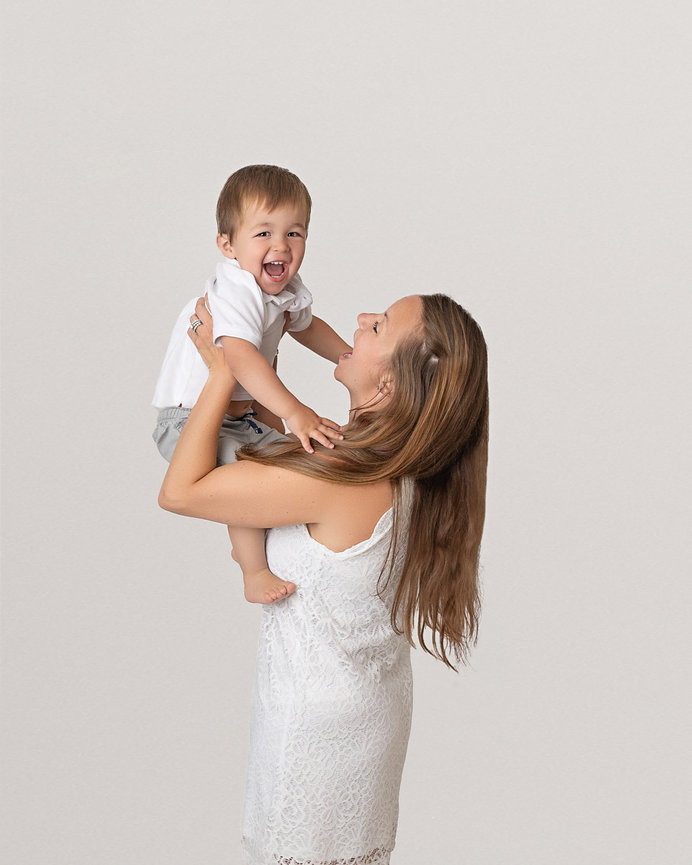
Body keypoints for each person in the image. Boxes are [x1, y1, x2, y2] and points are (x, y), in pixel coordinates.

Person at [158, 290, 489, 865]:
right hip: (362, 723)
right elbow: (268, 451)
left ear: (388, 386)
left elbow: (181, 491)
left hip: (314, 742)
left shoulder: (342, 477)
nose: (361, 320)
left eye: (380, 326)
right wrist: (256, 390)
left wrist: (220, 374)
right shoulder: (391, 467)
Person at [152, 165, 351, 604]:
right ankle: (253, 570)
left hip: (239, 419)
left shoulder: (282, 288)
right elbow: (239, 359)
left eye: (294, 234)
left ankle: (255, 541)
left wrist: (346, 356)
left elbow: (305, 326)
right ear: (228, 245)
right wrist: (294, 411)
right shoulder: (237, 286)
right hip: (189, 423)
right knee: (246, 480)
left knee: (287, 464)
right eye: (263, 234)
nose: (281, 245)